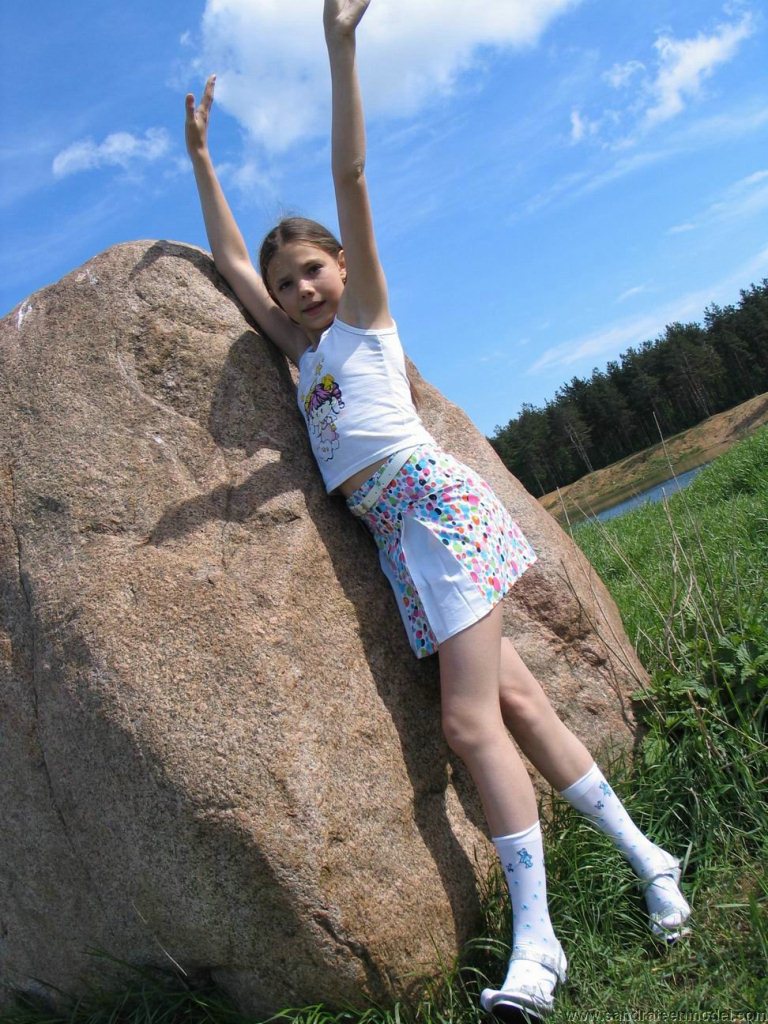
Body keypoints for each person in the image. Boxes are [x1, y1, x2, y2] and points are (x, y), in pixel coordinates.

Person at [185, 2, 691, 1019]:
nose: (300, 289)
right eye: (288, 283)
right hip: (400, 541)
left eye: (313, 270)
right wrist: (202, 161)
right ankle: (652, 859)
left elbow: (352, 177)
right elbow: (234, 269)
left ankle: (539, 945)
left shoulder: (367, 324)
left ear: (344, 267)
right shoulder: (302, 358)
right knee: (520, 707)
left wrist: (341, 49)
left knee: (468, 722)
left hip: (437, 507)